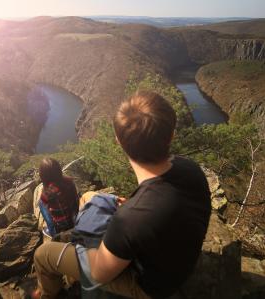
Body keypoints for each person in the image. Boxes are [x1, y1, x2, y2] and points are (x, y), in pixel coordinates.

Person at [33, 91, 212, 298]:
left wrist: (85, 243)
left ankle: (50, 294)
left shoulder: (130, 219)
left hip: (151, 287)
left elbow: (99, 273)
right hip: (178, 259)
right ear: (171, 135)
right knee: (90, 196)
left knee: (43, 255)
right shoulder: (190, 169)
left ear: (119, 142)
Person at [38, 158, 79, 236]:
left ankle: (53, 231)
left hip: (60, 227)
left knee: (40, 203)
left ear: (43, 176)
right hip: (74, 220)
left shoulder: (46, 193)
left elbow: (46, 203)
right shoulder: (69, 182)